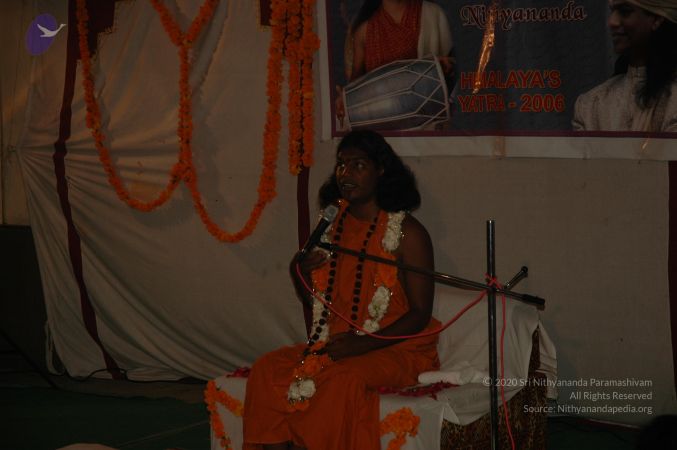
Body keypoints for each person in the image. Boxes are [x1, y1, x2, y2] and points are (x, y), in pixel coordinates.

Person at [243, 130, 441, 450]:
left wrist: (361, 344)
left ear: (381, 170)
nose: (346, 174)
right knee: (268, 369)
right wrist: (298, 272)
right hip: (338, 343)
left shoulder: (409, 233)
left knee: (340, 380)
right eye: (341, 164)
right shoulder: (331, 226)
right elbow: (319, 304)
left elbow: (420, 314)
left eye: (358, 165)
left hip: (395, 350)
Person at [336, 0, 454, 130]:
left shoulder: (433, 14)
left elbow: (454, 70)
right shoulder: (363, 32)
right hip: (383, 125)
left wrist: (443, 64)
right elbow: (355, 83)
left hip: (428, 127)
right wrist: (345, 98)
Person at [572, 0, 677, 132]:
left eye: (625, 11)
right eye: (612, 11)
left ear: (657, 19)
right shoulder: (590, 106)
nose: (612, 22)